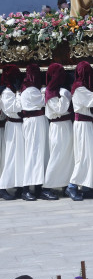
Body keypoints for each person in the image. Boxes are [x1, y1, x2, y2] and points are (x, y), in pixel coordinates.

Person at [69, 62, 93, 200]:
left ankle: (88, 186)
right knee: (83, 156)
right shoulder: (78, 88)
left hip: (89, 124)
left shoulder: (85, 87)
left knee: (91, 156)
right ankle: (72, 186)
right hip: (83, 125)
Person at [18, 64, 50, 201]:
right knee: (33, 154)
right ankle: (26, 189)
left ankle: (38, 186)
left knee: (40, 154)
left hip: (37, 123)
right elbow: (43, 101)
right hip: (34, 123)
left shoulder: (27, 89)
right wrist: (44, 90)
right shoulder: (30, 89)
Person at [43, 63, 75, 200]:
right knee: (56, 155)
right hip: (58, 126)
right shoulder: (50, 91)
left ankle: (64, 184)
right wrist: (66, 96)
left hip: (66, 125)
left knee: (68, 156)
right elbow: (60, 109)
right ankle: (47, 186)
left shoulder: (60, 89)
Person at [0, 66, 22, 201]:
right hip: (13, 126)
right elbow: (15, 108)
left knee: (19, 157)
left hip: (18, 127)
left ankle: (18, 184)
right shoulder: (7, 92)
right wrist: (20, 95)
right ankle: (3, 186)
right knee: (10, 157)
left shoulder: (11, 90)